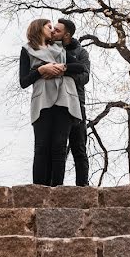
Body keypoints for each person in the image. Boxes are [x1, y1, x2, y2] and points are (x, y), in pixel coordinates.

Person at [18, 18, 85, 186]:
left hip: (65, 100)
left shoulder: (60, 49)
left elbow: (80, 67)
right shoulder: (27, 50)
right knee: (41, 146)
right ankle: (39, 189)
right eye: (49, 27)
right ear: (38, 29)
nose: (52, 30)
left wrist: (60, 68)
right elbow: (24, 81)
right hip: (42, 102)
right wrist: (41, 70)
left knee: (59, 146)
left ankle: (57, 189)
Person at [54, 18, 90, 186]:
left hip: (76, 103)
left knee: (79, 148)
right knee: (57, 148)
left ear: (67, 35)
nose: (53, 32)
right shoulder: (50, 49)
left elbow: (85, 77)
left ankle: (83, 188)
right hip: (55, 104)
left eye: (58, 30)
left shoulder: (81, 53)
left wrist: (63, 70)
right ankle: (55, 188)